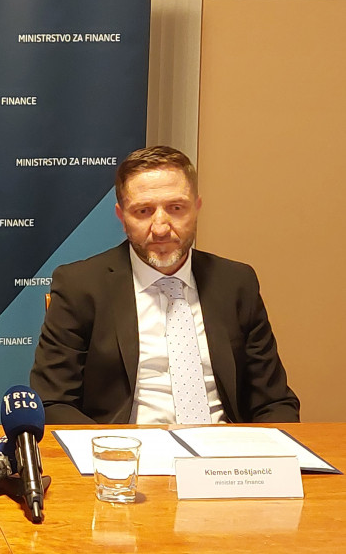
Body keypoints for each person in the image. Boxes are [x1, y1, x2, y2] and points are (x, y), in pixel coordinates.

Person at [29, 145, 299, 425]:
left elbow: (274, 401)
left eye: (176, 208)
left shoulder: (235, 283)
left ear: (196, 208)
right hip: (127, 454)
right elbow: (53, 401)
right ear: (122, 218)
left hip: (223, 454)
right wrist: (113, 452)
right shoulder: (80, 286)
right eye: (143, 211)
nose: (160, 227)